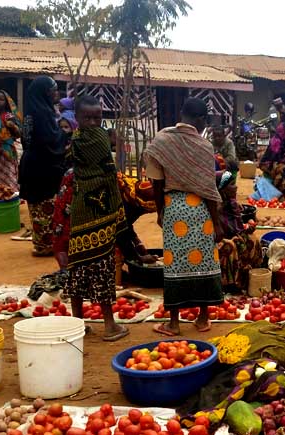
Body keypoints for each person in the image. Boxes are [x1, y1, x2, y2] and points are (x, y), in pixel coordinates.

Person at [144, 97, 225, 336]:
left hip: (174, 208)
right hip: (200, 210)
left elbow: (156, 183)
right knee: (204, 261)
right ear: (200, 120)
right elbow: (209, 189)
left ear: (181, 113)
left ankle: (174, 323)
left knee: (175, 263)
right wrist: (216, 221)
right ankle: (202, 318)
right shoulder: (203, 146)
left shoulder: (161, 141)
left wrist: (161, 211)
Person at [58, 96, 133, 341]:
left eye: (97, 118)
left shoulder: (76, 139)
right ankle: (110, 326)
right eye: (87, 118)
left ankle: (77, 321)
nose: (92, 122)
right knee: (101, 266)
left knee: (78, 264)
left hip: (81, 208)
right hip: (98, 209)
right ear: (77, 118)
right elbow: (108, 164)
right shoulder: (98, 138)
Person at [19, 76, 69, 256]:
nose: (56, 93)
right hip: (43, 167)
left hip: (32, 165)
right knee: (47, 206)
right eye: (53, 89)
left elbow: (27, 140)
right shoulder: (43, 114)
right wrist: (65, 136)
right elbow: (49, 141)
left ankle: (41, 243)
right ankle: (47, 245)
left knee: (37, 206)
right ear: (44, 93)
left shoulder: (31, 112)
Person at [215, 171, 263, 292]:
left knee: (252, 239)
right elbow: (218, 231)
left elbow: (237, 227)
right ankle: (228, 284)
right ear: (222, 189)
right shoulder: (215, 207)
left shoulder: (231, 204)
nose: (235, 187)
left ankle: (250, 276)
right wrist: (235, 236)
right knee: (229, 246)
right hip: (215, 243)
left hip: (231, 237)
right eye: (231, 184)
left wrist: (247, 228)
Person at [258, 122, 285, 197]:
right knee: (283, 169)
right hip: (269, 163)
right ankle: (280, 192)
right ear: (282, 132)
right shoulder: (276, 142)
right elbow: (277, 158)